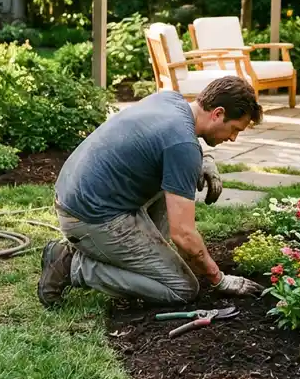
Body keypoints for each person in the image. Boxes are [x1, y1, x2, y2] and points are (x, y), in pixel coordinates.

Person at [38, 75, 265, 307]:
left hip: (79, 196)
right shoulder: (182, 145)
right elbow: (183, 234)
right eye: (234, 129)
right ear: (217, 113)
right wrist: (220, 280)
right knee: (182, 287)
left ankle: (143, 261)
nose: (233, 137)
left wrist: (202, 159)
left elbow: (168, 144)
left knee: (175, 179)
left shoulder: (171, 101)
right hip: (90, 218)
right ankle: (72, 266)